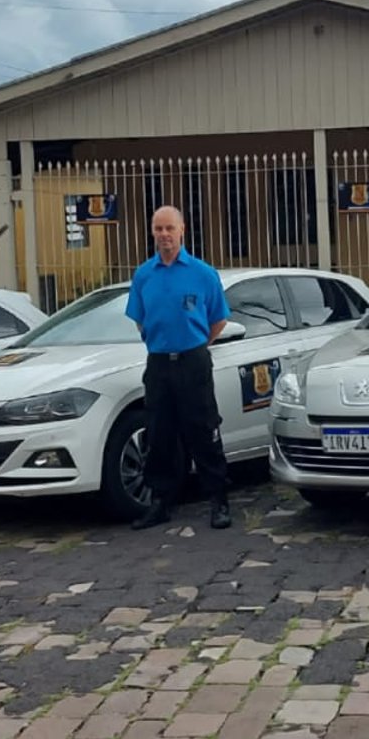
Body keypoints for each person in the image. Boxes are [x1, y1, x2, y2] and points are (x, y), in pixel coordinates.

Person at [124, 206, 233, 531]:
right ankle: (160, 503)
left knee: (204, 431)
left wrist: (196, 346)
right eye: (158, 229)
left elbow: (219, 318)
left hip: (193, 362)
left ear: (182, 229)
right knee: (159, 434)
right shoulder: (144, 274)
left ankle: (218, 501)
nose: (164, 235)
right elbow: (140, 319)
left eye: (169, 228)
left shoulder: (202, 273)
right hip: (158, 364)